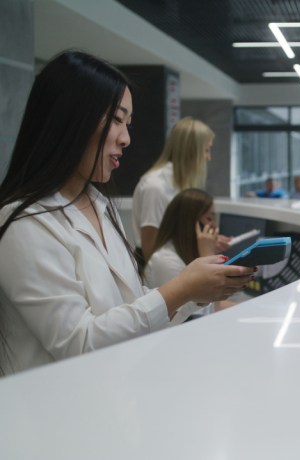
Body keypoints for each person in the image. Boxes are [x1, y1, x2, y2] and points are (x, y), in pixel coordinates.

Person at [0, 50, 254, 376]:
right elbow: (80, 342)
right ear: (71, 118)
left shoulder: (101, 206)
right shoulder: (23, 223)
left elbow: (129, 306)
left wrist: (194, 294)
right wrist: (182, 289)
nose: (126, 138)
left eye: (128, 123)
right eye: (117, 120)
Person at [132, 116, 230, 259]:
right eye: (206, 150)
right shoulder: (155, 187)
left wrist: (207, 242)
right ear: (192, 151)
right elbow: (150, 250)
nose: (208, 158)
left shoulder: (179, 183)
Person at [143, 188, 235, 319]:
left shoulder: (183, 253)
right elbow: (203, 315)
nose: (214, 226)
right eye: (209, 218)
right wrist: (208, 256)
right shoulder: (166, 261)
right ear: (190, 222)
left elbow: (212, 306)